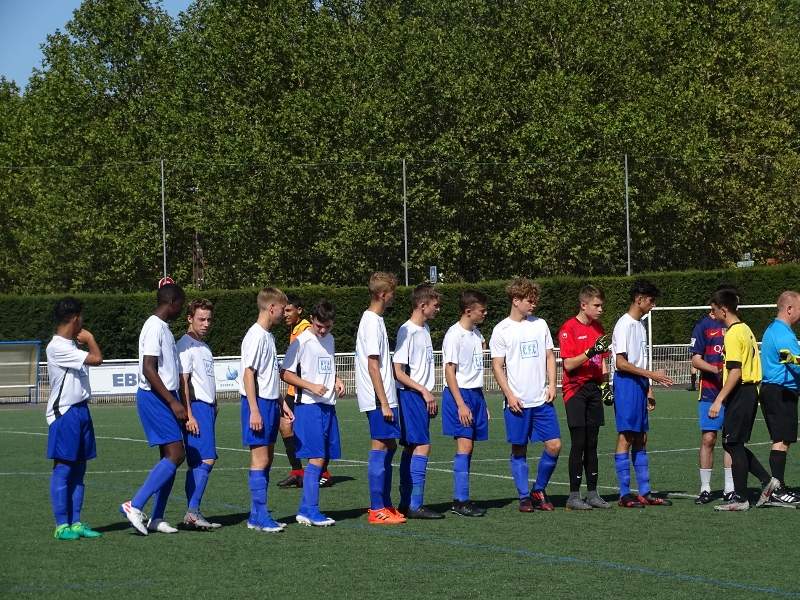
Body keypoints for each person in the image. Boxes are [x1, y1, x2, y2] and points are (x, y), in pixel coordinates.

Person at [120, 283, 187, 535]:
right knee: (176, 454)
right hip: (155, 397)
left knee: (168, 457)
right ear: (173, 302)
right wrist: (172, 401)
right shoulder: (153, 327)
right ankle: (134, 504)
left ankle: (157, 517)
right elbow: (148, 368)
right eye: (181, 303)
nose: (181, 309)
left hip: (165, 396)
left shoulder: (163, 328)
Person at [491, 279, 560, 512]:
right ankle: (523, 496)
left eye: (535, 300)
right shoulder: (501, 330)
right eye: (530, 301)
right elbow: (497, 366)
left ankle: (538, 489)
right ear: (516, 301)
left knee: (554, 445)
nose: (534, 304)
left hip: (542, 399)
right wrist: (509, 395)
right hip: (517, 402)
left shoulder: (540, 325)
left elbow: (550, 357)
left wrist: (553, 384)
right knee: (519, 449)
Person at [709, 289, 779, 511]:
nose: (712, 314)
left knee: (732, 443)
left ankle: (742, 497)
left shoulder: (732, 333)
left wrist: (719, 399)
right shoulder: (745, 329)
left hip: (741, 391)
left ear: (724, 309)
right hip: (748, 392)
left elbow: (736, 371)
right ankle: (767, 482)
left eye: (713, 310)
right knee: (732, 443)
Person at [280, 300, 345, 527]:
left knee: (322, 458)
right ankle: (309, 510)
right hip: (308, 405)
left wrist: (336, 380)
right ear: (312, 319)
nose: (323, 330)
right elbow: (285, 373)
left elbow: (327, 366)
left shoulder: (330, 339)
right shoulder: (302, 341)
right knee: (316, 458)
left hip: (328, 405)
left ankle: (307, 510)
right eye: (319, 326)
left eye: (327, 326)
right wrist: (310, 386)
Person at [612, 279, 674, 508]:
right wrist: (652, 375)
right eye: (651, 300)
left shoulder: (639, 325)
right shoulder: (625, 324)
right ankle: (625, 493)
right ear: (639, 299)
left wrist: (649, 388)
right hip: (626, 383)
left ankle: (645, 491)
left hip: (638, 384)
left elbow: (639, 359)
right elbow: (620, 363)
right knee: (626, 436)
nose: (653, 305)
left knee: (641, 437)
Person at [46, 297, 104, 541]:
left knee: (79, 469)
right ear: (75, 318)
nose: (84, 321)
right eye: (82, 316)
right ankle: (62, 525)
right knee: (64, 468)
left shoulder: (69, 347)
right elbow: (97, 359)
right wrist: (90, 339)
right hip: (65, 412)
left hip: (81, 409)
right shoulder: (58, 347)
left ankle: (76, 522)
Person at [355, 272, 406, 525]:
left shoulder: (376, 320)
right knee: (380, 445)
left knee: (390, 445)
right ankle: (377, 508)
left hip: (384, 395)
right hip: (378, 397)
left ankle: (385, 503)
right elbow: (373, 365)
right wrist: (383, 401)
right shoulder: (371, 321)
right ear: (383, 294)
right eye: (392, 292)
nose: (393, 297)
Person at [240, 287, 292, 532]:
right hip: (258, 404)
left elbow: (268, 375)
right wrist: (254, 409)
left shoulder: (268, 336)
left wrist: (281, 403)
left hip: (270, 403)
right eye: (282, 308)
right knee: (260, 459)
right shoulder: (256, 335)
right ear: (272, 308)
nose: (284, 313)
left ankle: (256, 514)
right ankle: (260, 517)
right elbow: (248, 374)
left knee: (267, 459)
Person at [557, 284, 613, 511]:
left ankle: (593, 494)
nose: (601, 309)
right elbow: (569, 364)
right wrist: (591, 351)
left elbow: (604, 361)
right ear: (584, 305)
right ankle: (573, 496)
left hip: (593, 390)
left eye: (601, 305)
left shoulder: (598, 328)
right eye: (596, 305)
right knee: (579, 442)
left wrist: (606, 386)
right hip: (575, 391)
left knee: (593, 443)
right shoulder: (568, 328)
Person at [394, 283, 444, 519]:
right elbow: (398, 371)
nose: (438, 309)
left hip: (419, 396)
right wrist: (424, 391)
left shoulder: (423, 330)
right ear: (422, 306)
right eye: (435, 305)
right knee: (422, 446)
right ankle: (415, 504)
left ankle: (406, 501)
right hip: (410, 395)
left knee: (412, 447)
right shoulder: (408, 330)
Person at [442, 290, 490, 517]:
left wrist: (483, 403)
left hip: (475, 394)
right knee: (465, 446)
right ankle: (460, 501)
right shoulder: (454, 335)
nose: (485, 313)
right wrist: (461, 404)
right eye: (482, 310)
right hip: (459, 394)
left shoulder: (477, 334)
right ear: (468, 311)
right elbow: (449, 371)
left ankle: (462, 498)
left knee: (470, 448)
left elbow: (475, 370)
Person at [177, 299, 222, 529]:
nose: (206, 324)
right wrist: (190, 415)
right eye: (201, 319)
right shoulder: (185, 345)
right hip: (196, 408)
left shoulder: (204, 346)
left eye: (209, 319)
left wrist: (215, 403)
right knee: (207, 458)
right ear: (189, 319)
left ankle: (191, 511)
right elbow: (183, 381)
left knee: (197, 462)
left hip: (207, 408)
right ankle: (192, 511)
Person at [689, 286, 736, 504]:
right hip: (709, 391)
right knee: (709, 438)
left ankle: (729, 488)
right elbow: (695, 359)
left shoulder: (736, 326)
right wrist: (715, 369)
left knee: (731, 440)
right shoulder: (703, 325)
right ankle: (705, 488)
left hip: (734, 393)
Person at [758, 291, 800, 504]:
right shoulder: (782, 333)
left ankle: (779, 486)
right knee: (781, 439)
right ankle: (777, 489)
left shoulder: (776, 330)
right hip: (779, 391)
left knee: (783, 439)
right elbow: (794, 361)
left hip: (779, 390)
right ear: (789, 309)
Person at [277, 295, 312, 488]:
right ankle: (297, 472)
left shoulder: (305, 329)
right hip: (293, 390)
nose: (285, 314)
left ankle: (323, 472)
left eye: (289, 310)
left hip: (303, 390)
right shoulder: (295, 329)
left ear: (299, 310)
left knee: (307, 430)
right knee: (285, 426)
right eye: (284, 311)